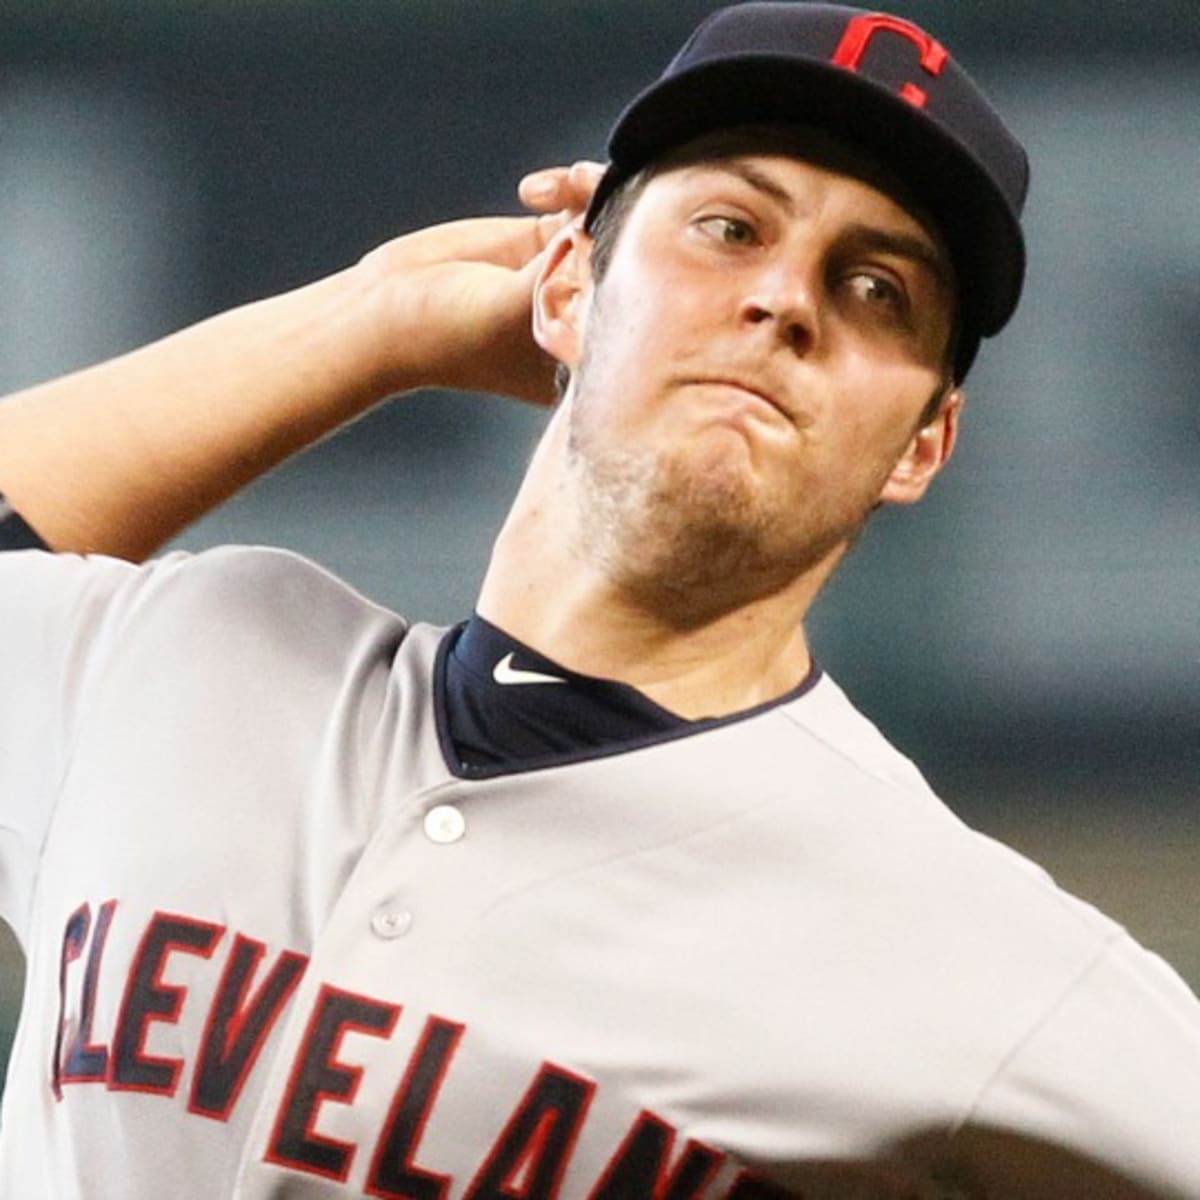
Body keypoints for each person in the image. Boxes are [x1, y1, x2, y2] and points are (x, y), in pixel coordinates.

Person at [1, 3, 1198, 1196]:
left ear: (923, 445)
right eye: (730, 228)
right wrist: (372, 326)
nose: (787, 300)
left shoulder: (992, 973)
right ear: (567, 286)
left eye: (878, 289)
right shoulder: (184, 655)